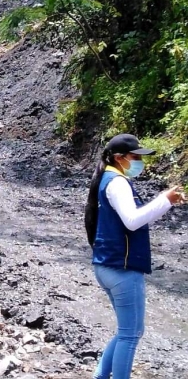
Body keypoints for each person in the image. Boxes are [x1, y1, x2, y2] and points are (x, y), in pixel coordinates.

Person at [84, 134, 186, 379]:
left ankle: (100, 376)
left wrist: (165, 202)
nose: (140, 161)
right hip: (121, 268)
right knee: (131, 334)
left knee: (125, 331)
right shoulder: (117, 182)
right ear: (119, 158)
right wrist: (165, 200)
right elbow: (132, 221)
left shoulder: (109, 177)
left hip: (107, 264)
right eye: (136, 156)